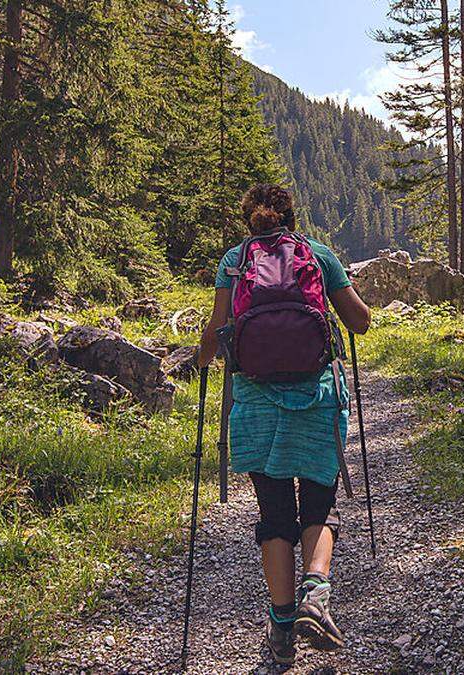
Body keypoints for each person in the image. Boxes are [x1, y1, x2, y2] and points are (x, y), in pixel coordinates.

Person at [197, 184, 371, 665]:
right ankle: (316, 593)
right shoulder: (316, 254)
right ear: (291, 218)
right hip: (315, 400)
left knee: (274, 514)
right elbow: (358, 322)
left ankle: (280, 629)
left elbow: (216, 329)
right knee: (319, 502)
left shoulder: (234, 260)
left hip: (255, 404)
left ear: (249, 219)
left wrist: (201, 358)